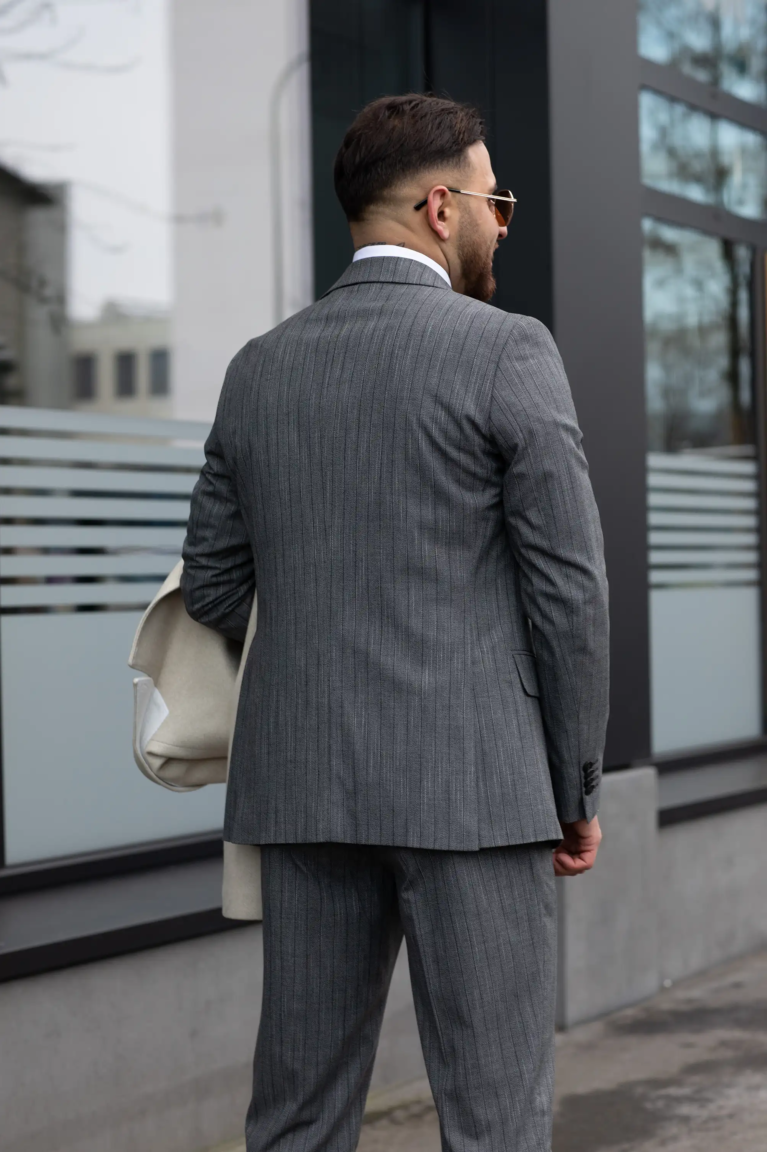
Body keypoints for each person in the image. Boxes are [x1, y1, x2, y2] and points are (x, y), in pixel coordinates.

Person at [181, 92, 609, 1152]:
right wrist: (575, 787)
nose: (501, 223)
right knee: (493, 1115)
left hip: (305, 790)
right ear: (438, 206)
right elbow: (570, 593)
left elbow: (215, 589)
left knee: (300, 1114)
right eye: (494, 202)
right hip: (478, 789)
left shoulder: (258, 368)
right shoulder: (508, 352)